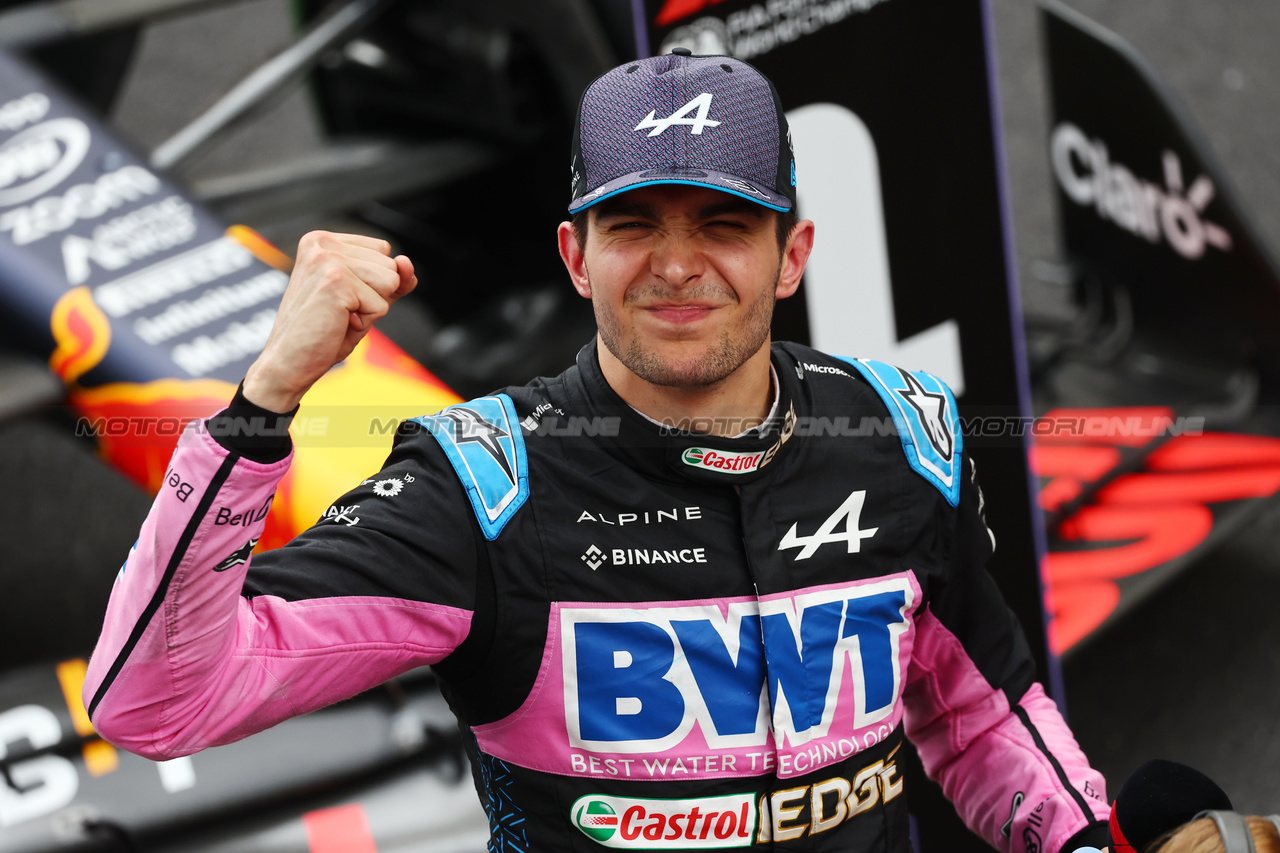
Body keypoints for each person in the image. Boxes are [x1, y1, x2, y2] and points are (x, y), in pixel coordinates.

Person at [84, 50, 1111, 851]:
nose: (674, 265)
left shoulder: (896, 435)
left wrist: (1081, 841)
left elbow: (981, 714)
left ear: (789, 255)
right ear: (576, 256)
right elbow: (154, 702)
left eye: (722, 222)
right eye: (631, 224)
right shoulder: (482, 487)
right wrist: (263, 403)